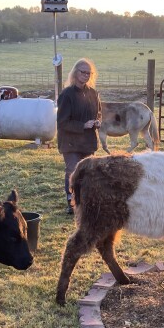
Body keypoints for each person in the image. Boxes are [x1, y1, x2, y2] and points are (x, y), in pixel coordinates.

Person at [57, 58, 101, 215]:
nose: (86, 75)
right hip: (70, 143)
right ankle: (72, 202)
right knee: (73, 171)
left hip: (88, 142)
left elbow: (98, 113)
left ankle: (85, 203)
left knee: (88, 173)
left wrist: (97, 122)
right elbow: (62, 122)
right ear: (75, 72)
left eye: (89, 73)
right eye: (83, 72)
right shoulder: (66, 95)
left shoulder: (93, 93)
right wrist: (83, 125)